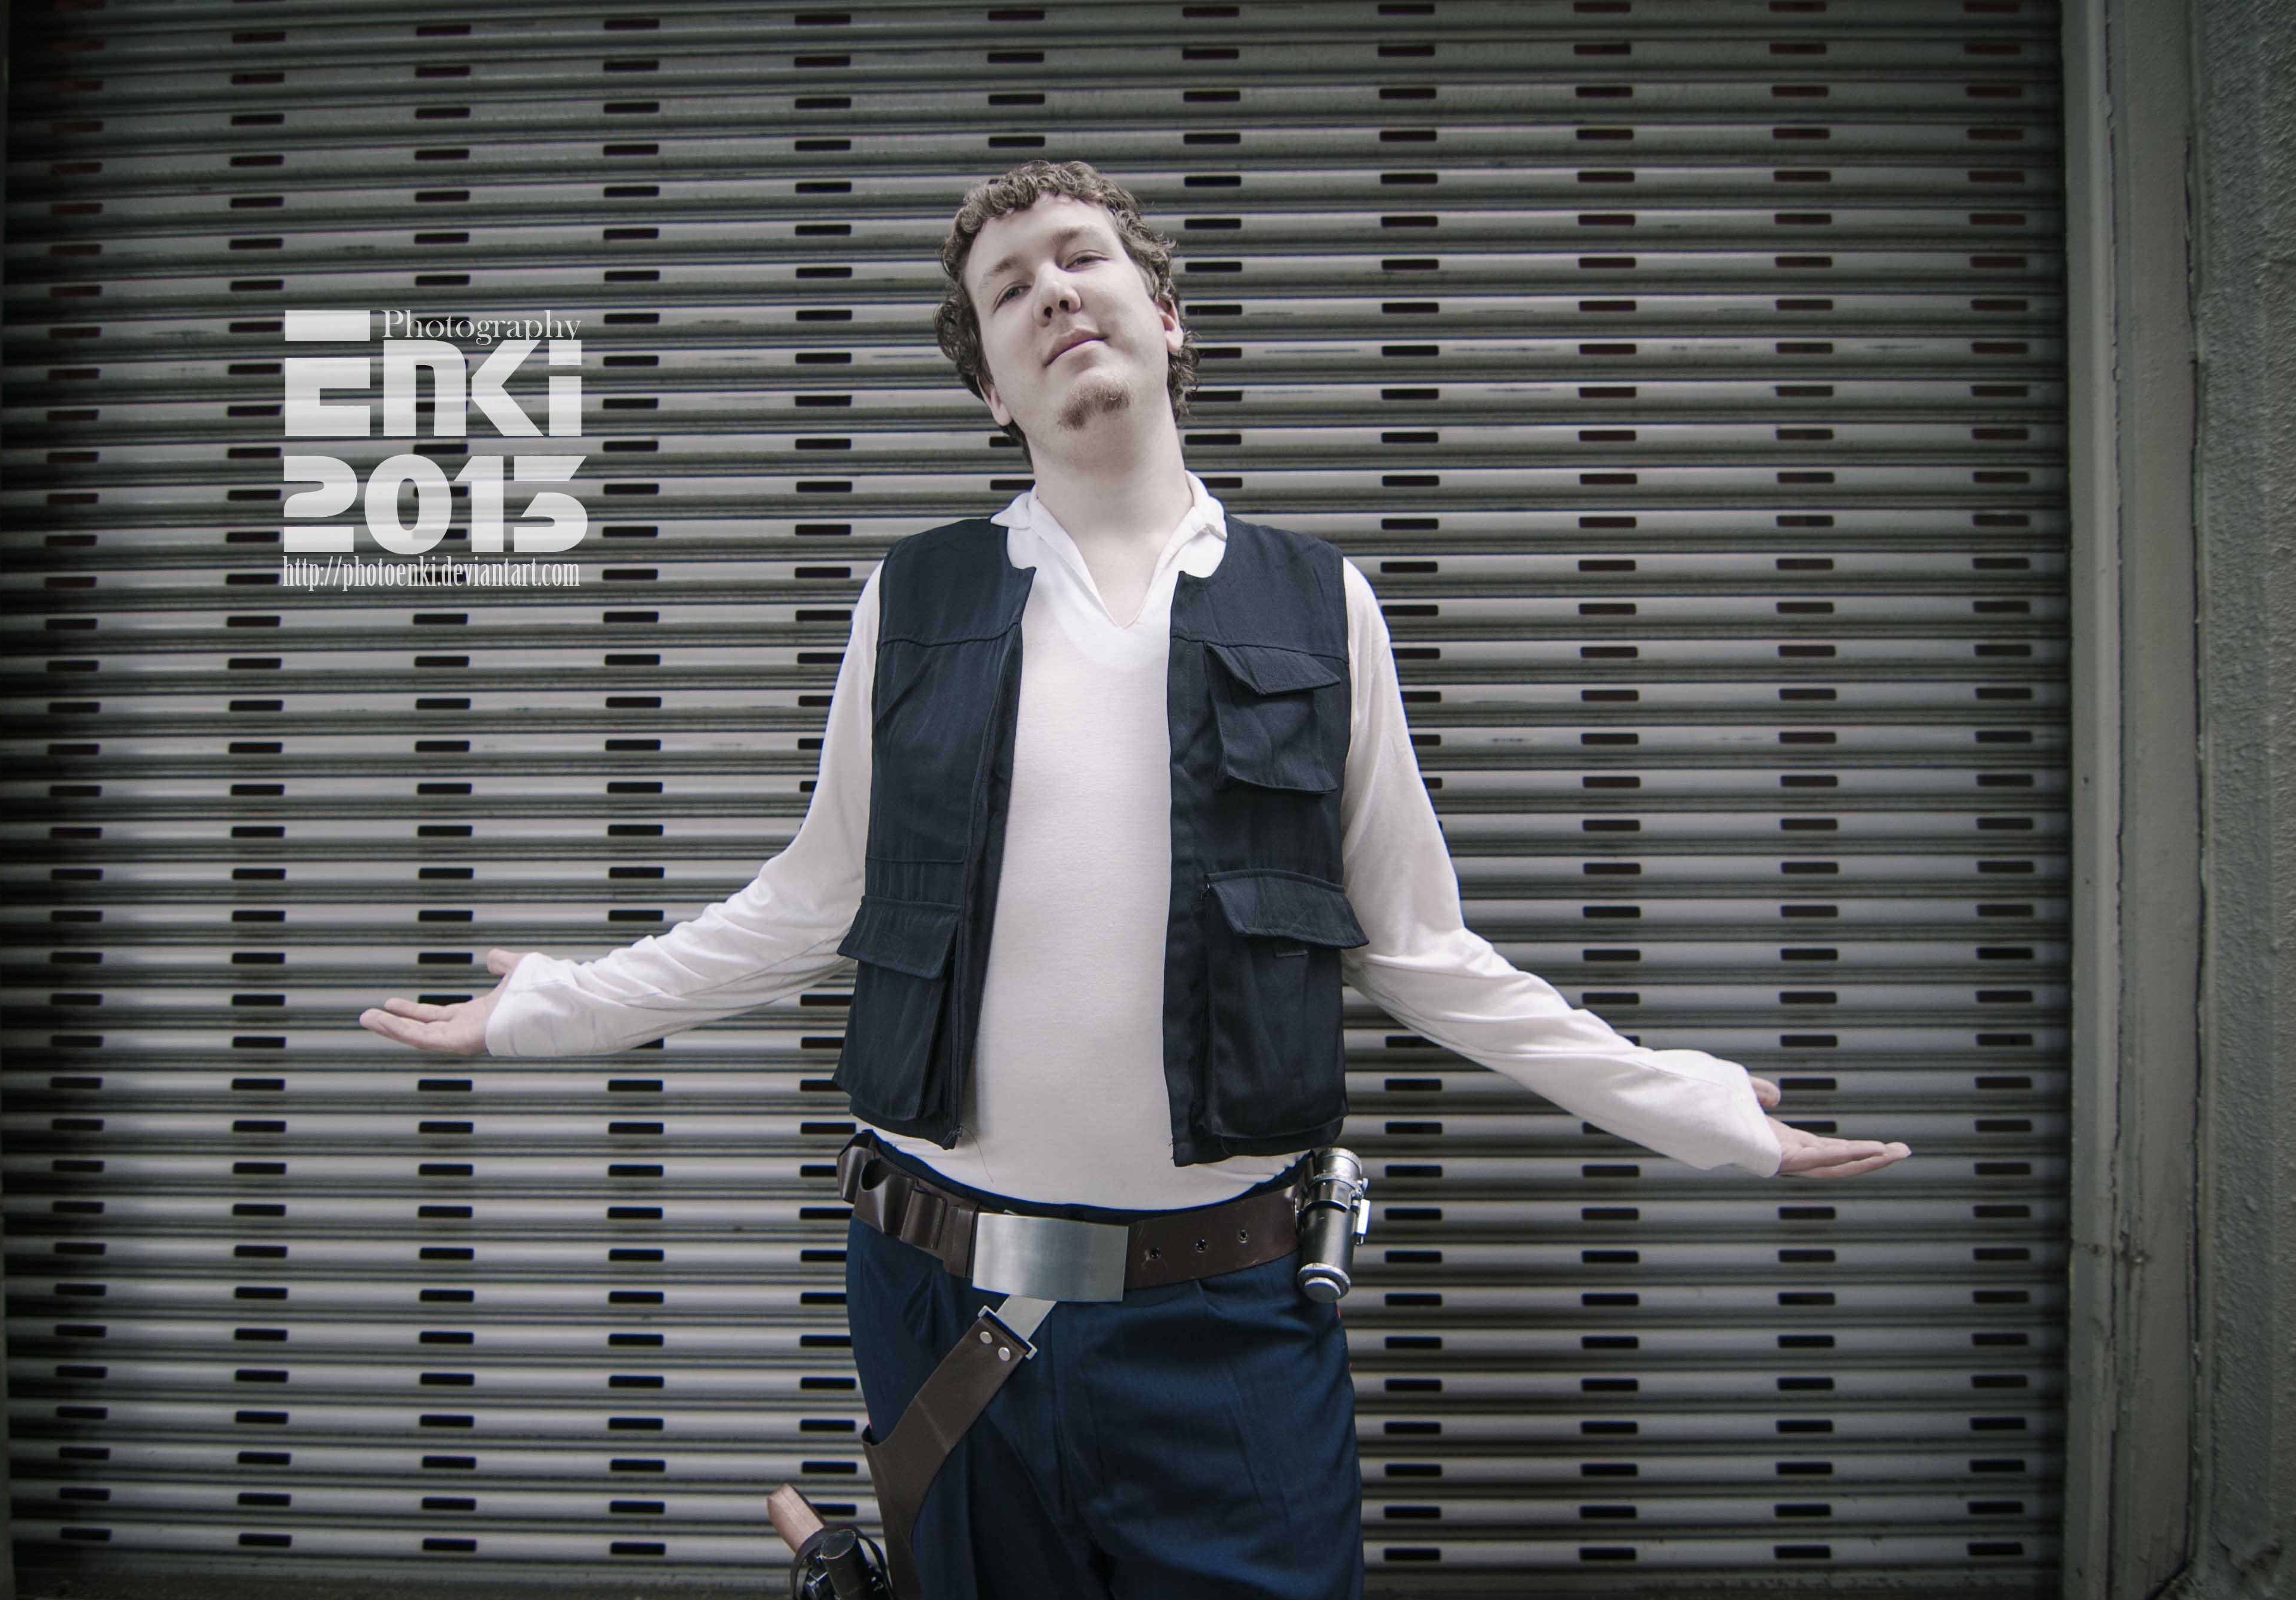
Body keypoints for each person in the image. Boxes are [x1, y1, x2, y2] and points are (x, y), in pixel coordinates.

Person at [359, 159, 1911, 1600]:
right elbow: (810, 904)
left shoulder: (1320, 603)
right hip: (946, 1305)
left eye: (1079, 257)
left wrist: (1696, 1107)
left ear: (1163, 316)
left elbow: (1425, 951)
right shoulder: (915, 598)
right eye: (1008, 288)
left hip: (1227, 1320)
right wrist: (552, 1008)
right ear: (991, 384)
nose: (1051, 291)